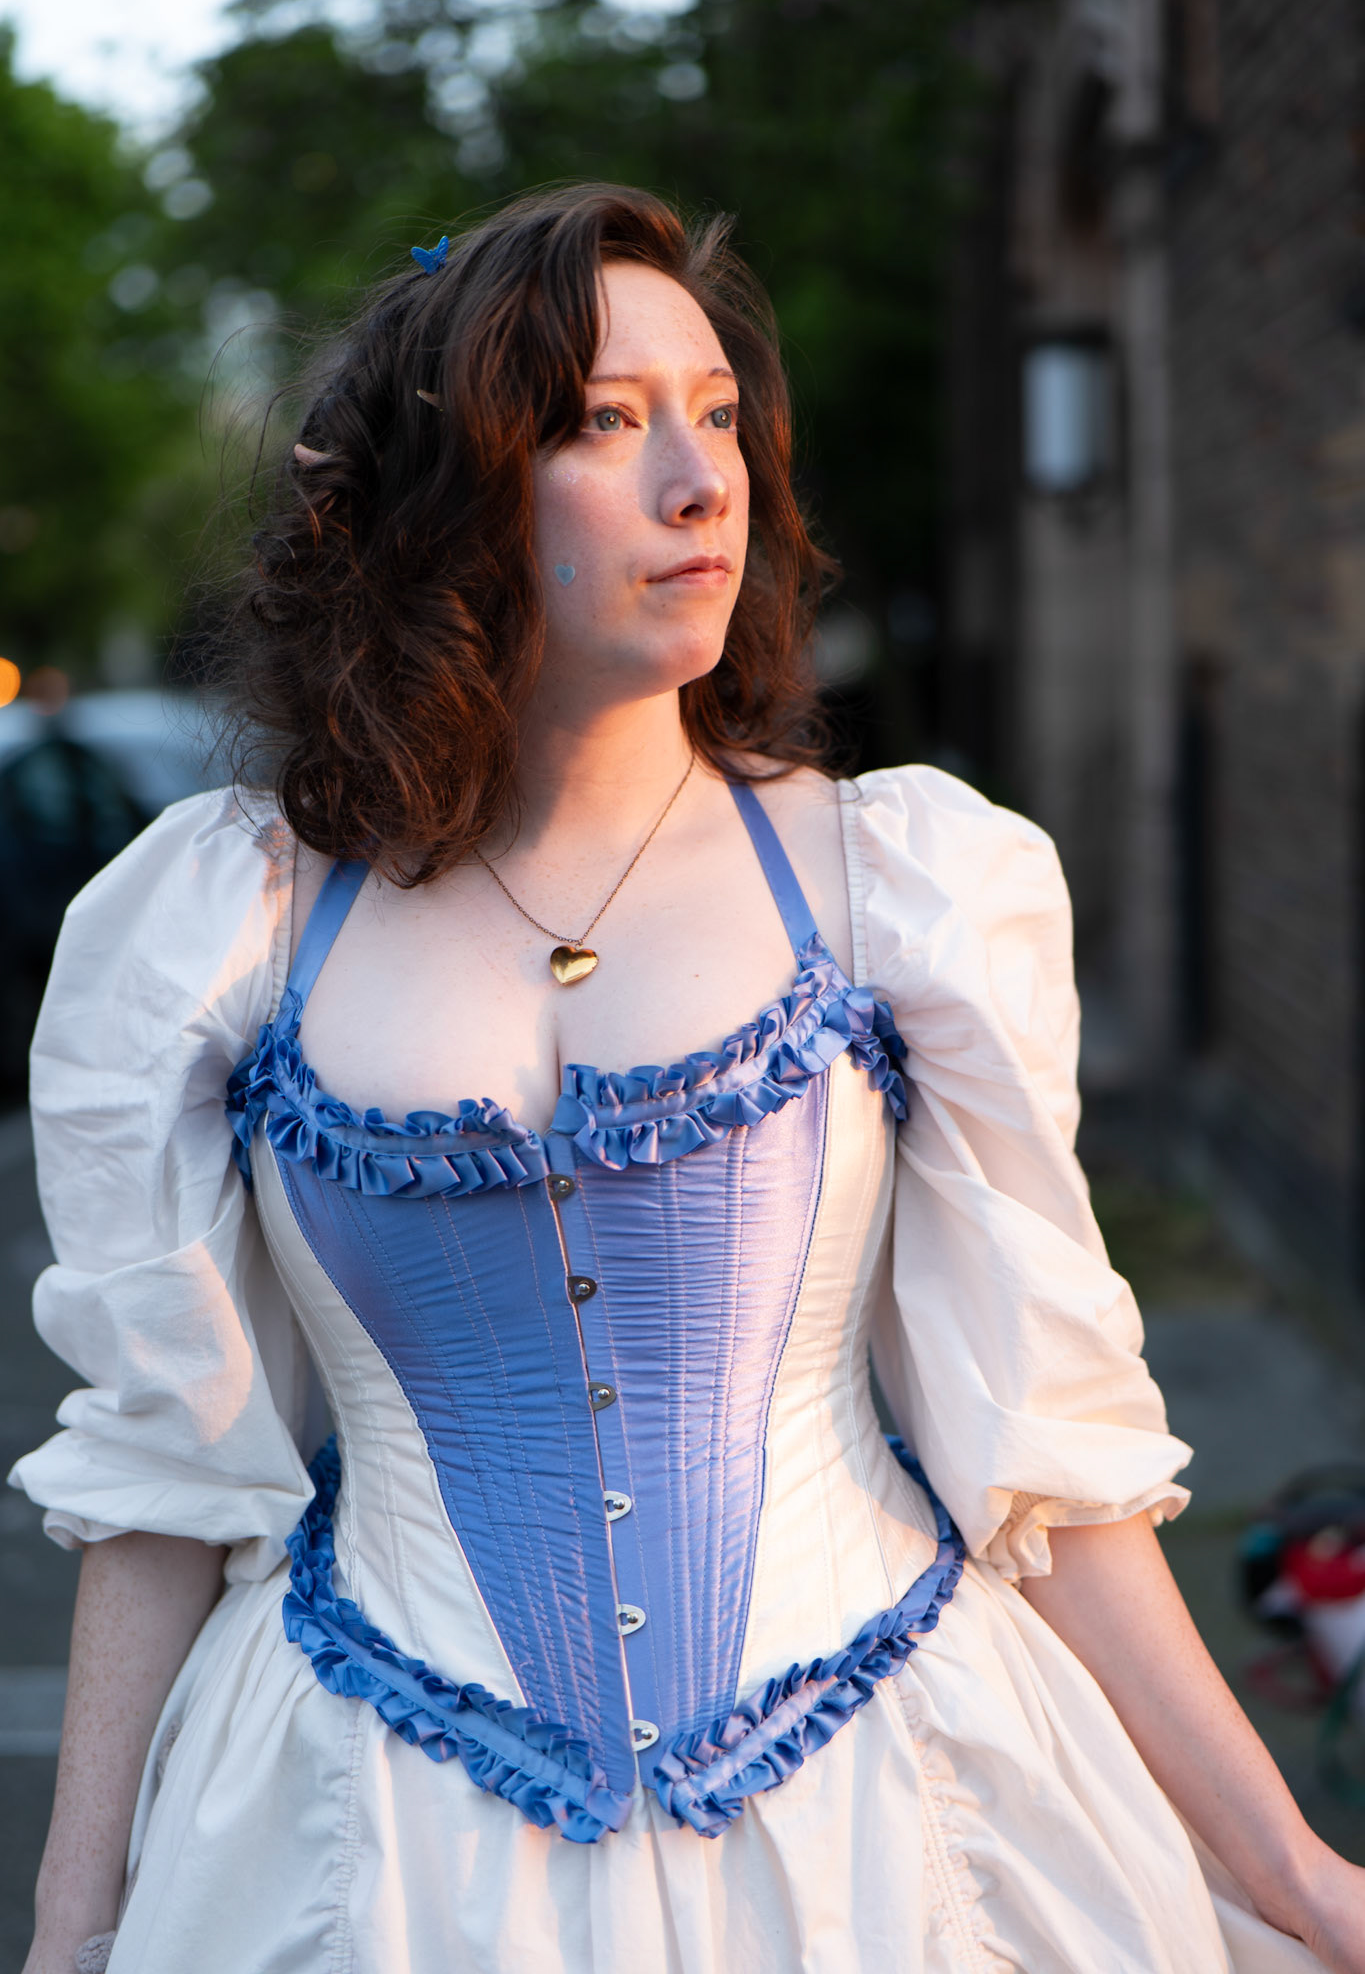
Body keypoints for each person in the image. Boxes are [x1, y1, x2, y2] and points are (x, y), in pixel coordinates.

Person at [11, 183, 1365, 1974]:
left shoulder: (894, 883)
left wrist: (1295, 1876)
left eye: (717, 416)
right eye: (602, 420)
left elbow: (1042, 1455)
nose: (698, 481)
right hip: (379, 1837)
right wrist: (75, 1918)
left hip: (880, 1810)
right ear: (442, 492)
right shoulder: (222, 919)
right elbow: (165, 1473)